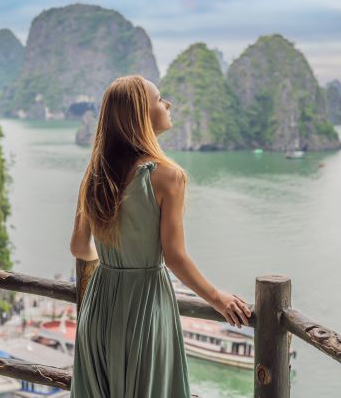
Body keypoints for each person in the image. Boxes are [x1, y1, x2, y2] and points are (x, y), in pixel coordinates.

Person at [69, 75, 252, 398]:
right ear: (141, 113)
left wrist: (115, 265)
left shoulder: (96, 173)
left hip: (99, 307)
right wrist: (218, 298)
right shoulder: (168, 176)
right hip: (145, 307)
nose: (167, 104)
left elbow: (79, 247)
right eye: (159, 99)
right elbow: (174, 256)